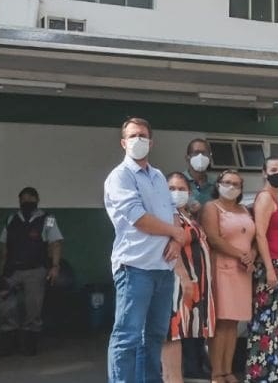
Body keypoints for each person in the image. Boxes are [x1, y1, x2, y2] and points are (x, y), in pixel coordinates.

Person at [105, 117, 186, 383]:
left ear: (151, 142)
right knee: (127, 336)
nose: (137, 140)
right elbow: (138, 218)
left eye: (142, 135)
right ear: (123, 143)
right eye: (132, 136)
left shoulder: (158, 176)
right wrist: (176, 233)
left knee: (154, 336)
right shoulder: (120, 177)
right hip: (134, 268)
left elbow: (173, 211)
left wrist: (176, 241)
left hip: (162, 269)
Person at [201, 169, 256, 383]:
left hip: (243, 272)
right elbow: (213, 238)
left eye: (236, 184)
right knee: (220, 322)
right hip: (222, 269)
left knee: (233, 324)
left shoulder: (244, 209)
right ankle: (216, 372)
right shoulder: (211, 207)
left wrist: (252, 254)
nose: (231, 187)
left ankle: (227, 370)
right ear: (218, 184)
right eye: (227, 182)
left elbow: (253, 239)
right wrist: (240, 255)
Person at [162, 173, 216, 383]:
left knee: (183, 331)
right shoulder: (167, 216)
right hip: (179, 283)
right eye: (171, 188)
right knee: (173, 332)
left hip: (196, 281)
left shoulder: (187, 215)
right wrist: (183, 277)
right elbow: (169, 249)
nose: (176, 193)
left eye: (181, 188)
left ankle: (180, 375)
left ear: (189, 192)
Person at [0, 186, 64, 356]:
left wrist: (55, 267)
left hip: (36, 270)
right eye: (23, 199)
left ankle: (29, 343)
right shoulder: (11, 219)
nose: (26, 202)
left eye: (29, 198)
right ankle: (10, 340)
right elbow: (4, 247)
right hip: (12, 270)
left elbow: (55, 243)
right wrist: (1, 272)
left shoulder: (48, 219)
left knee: (33, 307)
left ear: (37, 200)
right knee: (5, 305)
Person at [245, 157, 278, 383]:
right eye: (273, 169)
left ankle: (274, 371)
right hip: (269, 264)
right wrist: (270, 269)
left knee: (272, 320)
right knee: (263, 321)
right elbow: (260, 234)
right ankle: (259, 374)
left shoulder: (277, 197)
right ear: (264, 172)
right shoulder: (265, 198)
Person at [184, 138, 216, 210]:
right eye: (196, 153)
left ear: (210, 158)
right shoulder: (178, 181)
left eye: (204, 153)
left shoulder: (217, 183)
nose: (200, 156)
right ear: (187, 157)